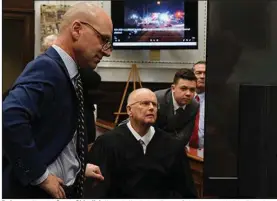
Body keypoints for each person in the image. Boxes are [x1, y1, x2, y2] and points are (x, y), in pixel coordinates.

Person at [2, 2, 113, 198]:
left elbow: (53, 133)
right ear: (77, 29)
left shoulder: (67, 71)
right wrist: (40, 175)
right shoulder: (48, 67)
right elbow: (9, 117)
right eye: (103, 39)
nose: (106, 51)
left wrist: (77, 168)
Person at [84, 88, 197, 198]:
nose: (151, 108)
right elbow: (96, 189)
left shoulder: (172, 146)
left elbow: (185, 191)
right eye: (145, 103)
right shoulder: (108, 143)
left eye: (154, 104)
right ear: (129, 110)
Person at [154, 68, 199, 146]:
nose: (188, 93)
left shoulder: (194, 105)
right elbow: (150, 130)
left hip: (176, 147)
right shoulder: (156, 99)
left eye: (192, 90)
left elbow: (185, 136)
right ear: (173, 88)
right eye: (183, 88)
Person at [189, 61, 206, 149]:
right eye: (199, 73)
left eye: (206, 73)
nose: (202, 76)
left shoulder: (218, 102)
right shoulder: (182, 98)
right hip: (184, 152)